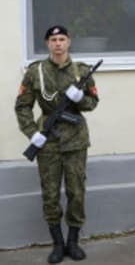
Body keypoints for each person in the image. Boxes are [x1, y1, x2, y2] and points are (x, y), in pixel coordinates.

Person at [15, 25, 99, 263]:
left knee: (76, 192)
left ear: (69, 42)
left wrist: (80, 98)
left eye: (62, 39)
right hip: (47, 142)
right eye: (53, 40)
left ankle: (73, 242)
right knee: (50, 194)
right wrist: (33, 134)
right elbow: (22, 106)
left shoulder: (81, 72)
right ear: (47, 44)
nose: (58, 43)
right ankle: (58, 243)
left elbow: (93, 103)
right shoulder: (35, 72)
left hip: (75, 141)